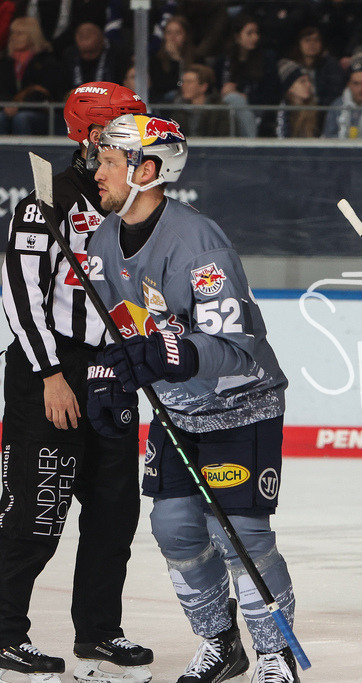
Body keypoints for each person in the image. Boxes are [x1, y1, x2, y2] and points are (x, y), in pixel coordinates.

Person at [86, 113, 299, 682]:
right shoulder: (103, 241)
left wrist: (171, 355)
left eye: (109, 162)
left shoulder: (198, 242)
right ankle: (221, 644)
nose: (97, 172)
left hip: (240, 406)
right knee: (175, 528)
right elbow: (123, 333)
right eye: (99, 160)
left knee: (242, 534)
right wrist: (107, 375)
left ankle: (275, 655)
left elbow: (236, 346)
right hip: (177, 411)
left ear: (146, 170)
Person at [0, 82, 152, 682]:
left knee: (115, 512)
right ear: (90, 136)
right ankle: (5, 634)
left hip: (112, 372)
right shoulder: (46, 202)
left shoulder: (133, 202)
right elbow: (19, 296)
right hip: (52, 372)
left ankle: (98, 632)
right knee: (36, 510)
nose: (133, 142)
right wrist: (50, 374)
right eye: (121, 131)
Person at [210, 13, 281, 138]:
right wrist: (223, 92)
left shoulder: (267, 60)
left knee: (235, 99)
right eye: (249, 33)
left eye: (256, 33)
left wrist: (246, 97)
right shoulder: (223, 61)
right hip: (225, 109)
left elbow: (272, 93)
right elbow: (213, 90)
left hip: (257, 110)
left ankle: (250, 140)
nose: (255, 37)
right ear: (237, 37)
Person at [0, 16, 63, 135]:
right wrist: (7, 105)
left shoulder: (47, 61)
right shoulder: (5, 62)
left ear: (32, 35)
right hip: (9, 109)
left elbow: (44, 91)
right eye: (12, 33)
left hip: (40, 111)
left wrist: (20, 107)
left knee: (22, 118)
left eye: (20, 33)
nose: (14, 37)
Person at [287, 25, 345, 107]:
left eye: (316, 40)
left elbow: (335, 93)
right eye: (307, 40)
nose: (312, 44)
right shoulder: (291, 67)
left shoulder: (331, 65)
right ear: (299, 43)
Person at [168, 63, 231, 137]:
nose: (184, 86)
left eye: (189, 82)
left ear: (203, 87)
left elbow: (223, 137)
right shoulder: (178, 109)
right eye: (183, 82)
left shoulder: (219, 110)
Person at [149, 15, 196, 103]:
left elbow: (186, 85)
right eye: (169, 33)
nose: (173, 37)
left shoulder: (196, 58)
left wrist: (177, 59)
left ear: (186, 35)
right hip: (163, 102)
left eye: (178, 33)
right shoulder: (156, 59)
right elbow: (159, 86)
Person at [270, 58, 322, 138]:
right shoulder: (280, 111)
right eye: (302, 81)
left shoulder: (317, 110)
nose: (308, 84)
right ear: (290, 87)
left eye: (308, 80)